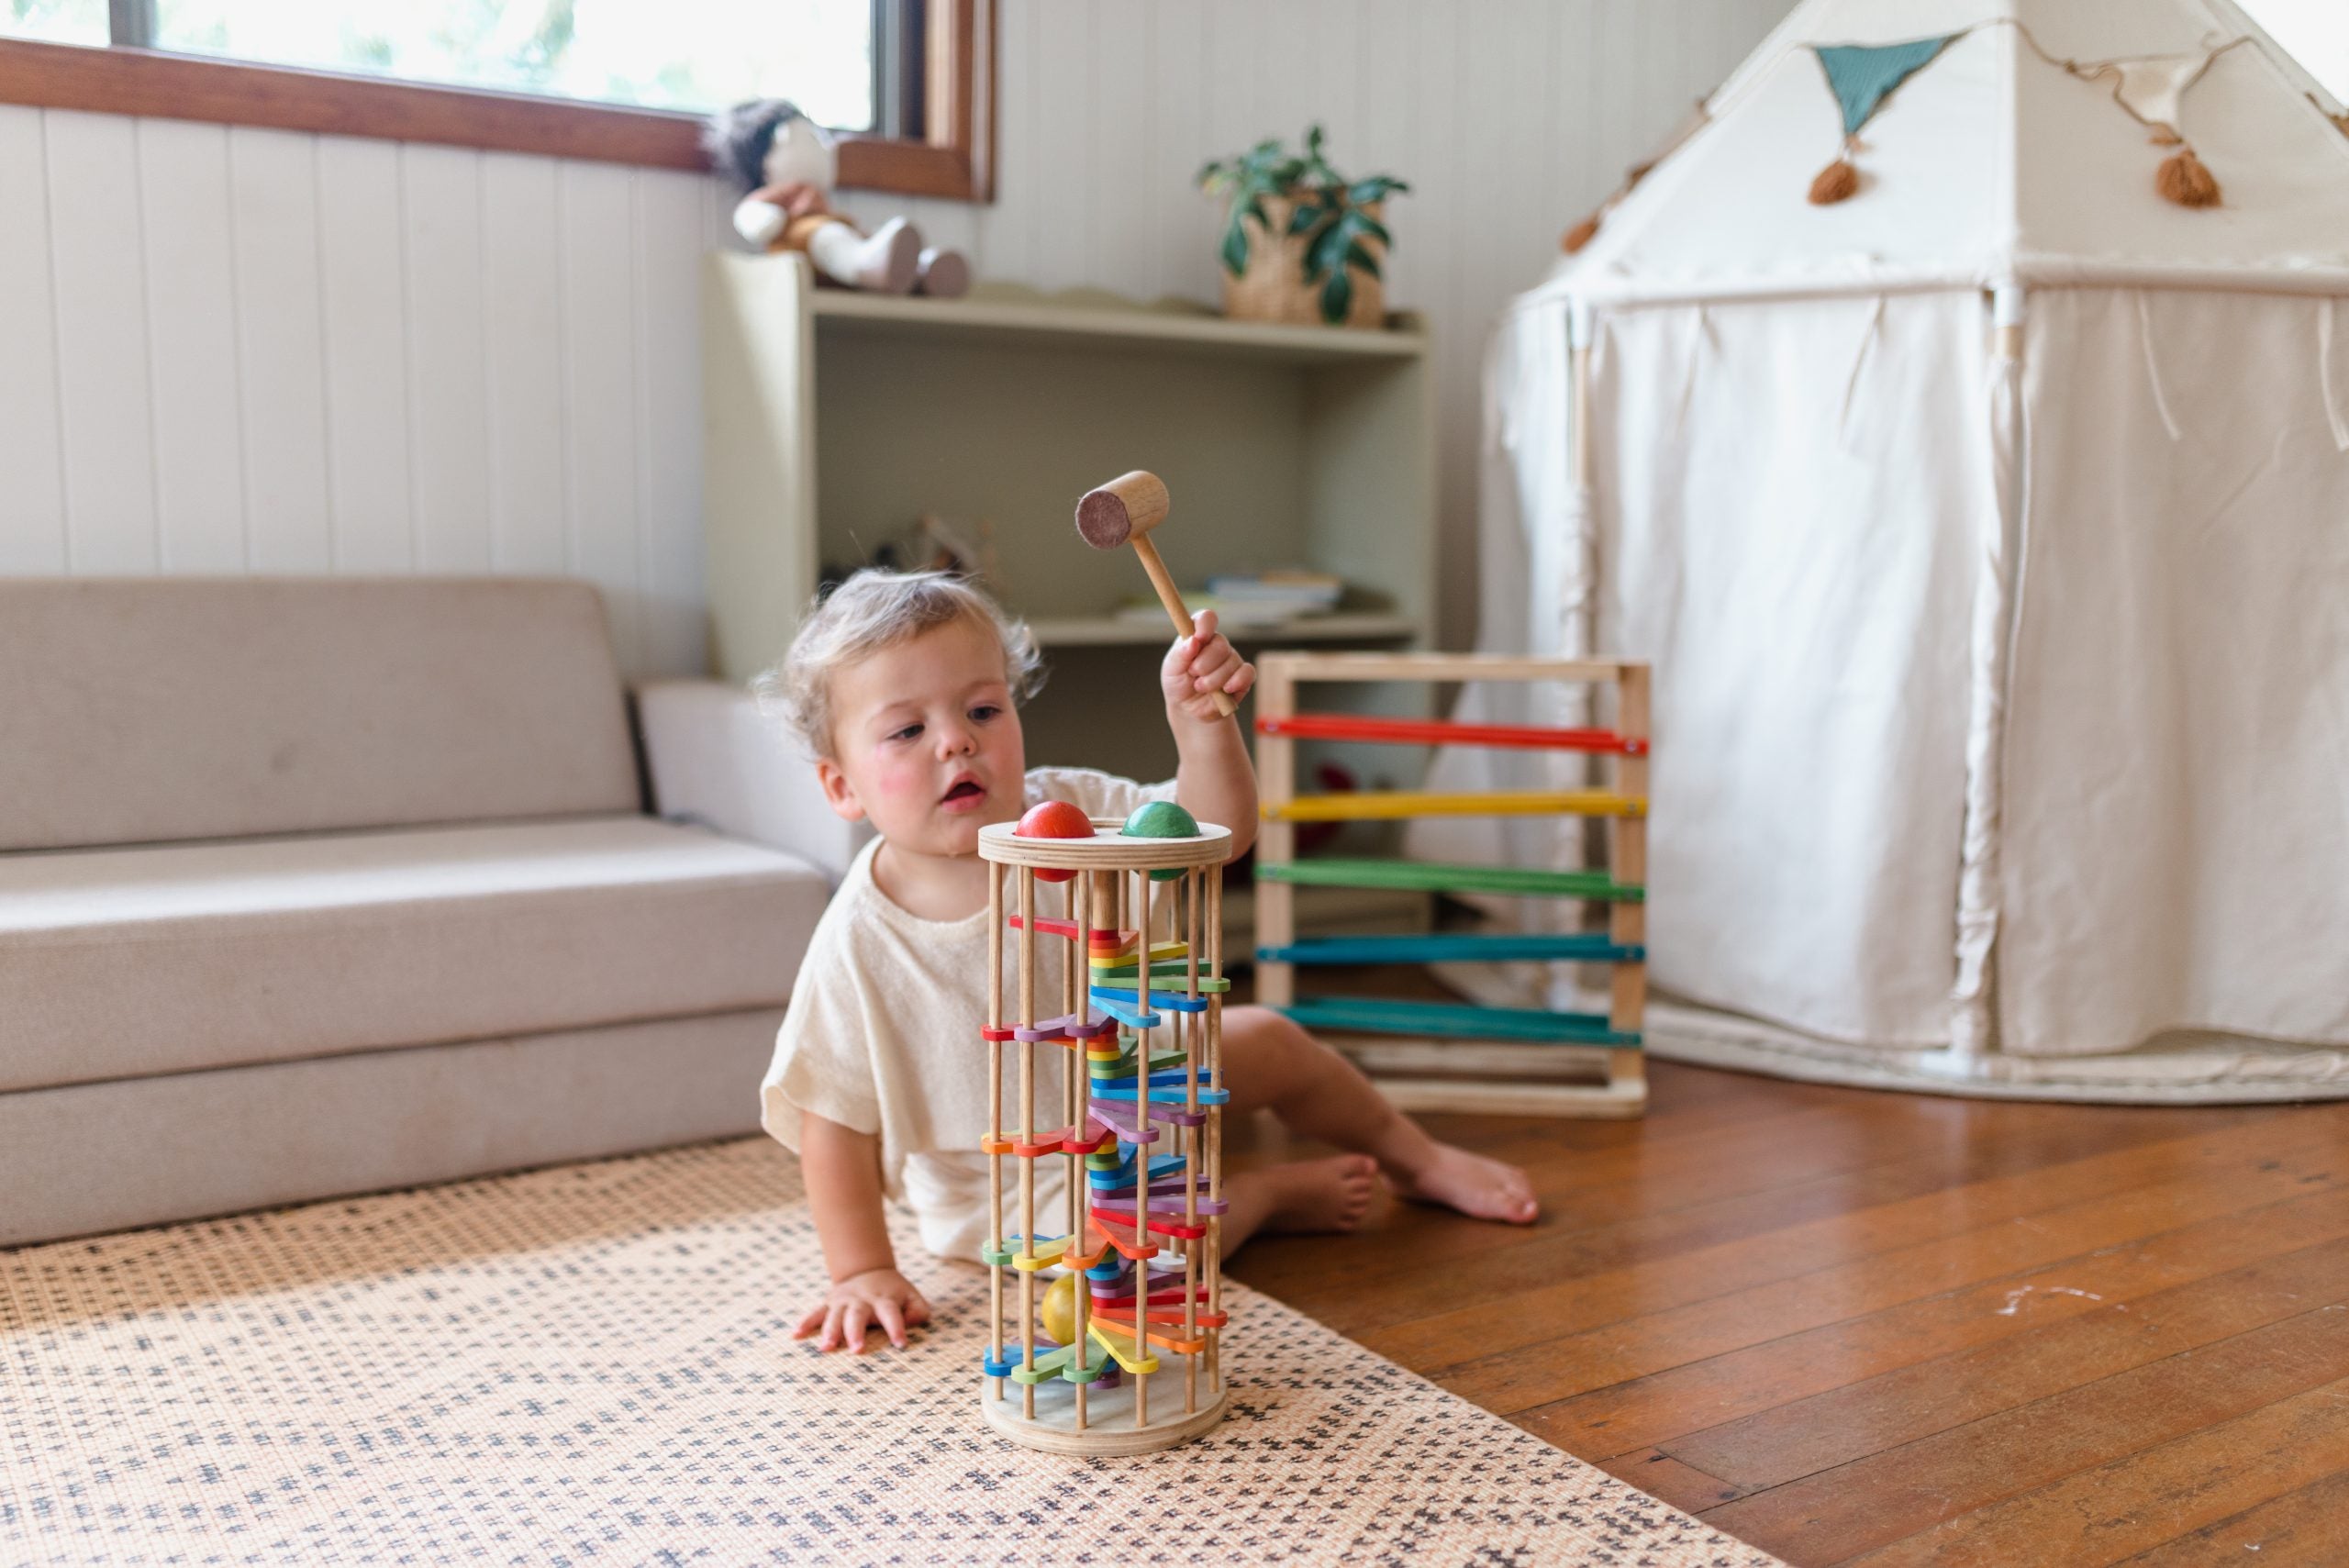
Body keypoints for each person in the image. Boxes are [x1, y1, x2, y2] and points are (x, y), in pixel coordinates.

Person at [759, 569, 1539, 1355]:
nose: (956, 739)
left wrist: (1201, 724)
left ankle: (1420, 1158)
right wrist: (859, 1268)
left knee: (1271, 1035)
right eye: (906, 731)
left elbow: (1212, 834)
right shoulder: (860, 937)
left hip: (1137, 1087)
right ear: (841, 786)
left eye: (982, 709)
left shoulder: (1068, 812)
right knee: (1129, 1255)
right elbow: (832, 1118)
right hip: (1016, 1187)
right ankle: (1260, 1198)